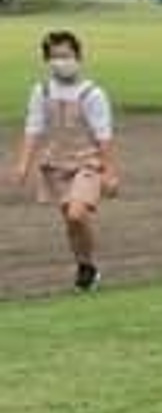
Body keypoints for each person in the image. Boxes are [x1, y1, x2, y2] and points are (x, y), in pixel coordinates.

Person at [11, 29, 119, 291]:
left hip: (87, 162)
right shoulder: (42, 91)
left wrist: (110, 173)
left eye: (67, 55)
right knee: (70, 220)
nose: (62, 61)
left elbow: (104, 135)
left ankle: (88, 265)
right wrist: (23, 164)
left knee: (76, 213)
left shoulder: (92, 94)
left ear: (78, 57)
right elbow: (33, 128)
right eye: (56, 56)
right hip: (55, 164)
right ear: (47, 60)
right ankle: (84, 266)